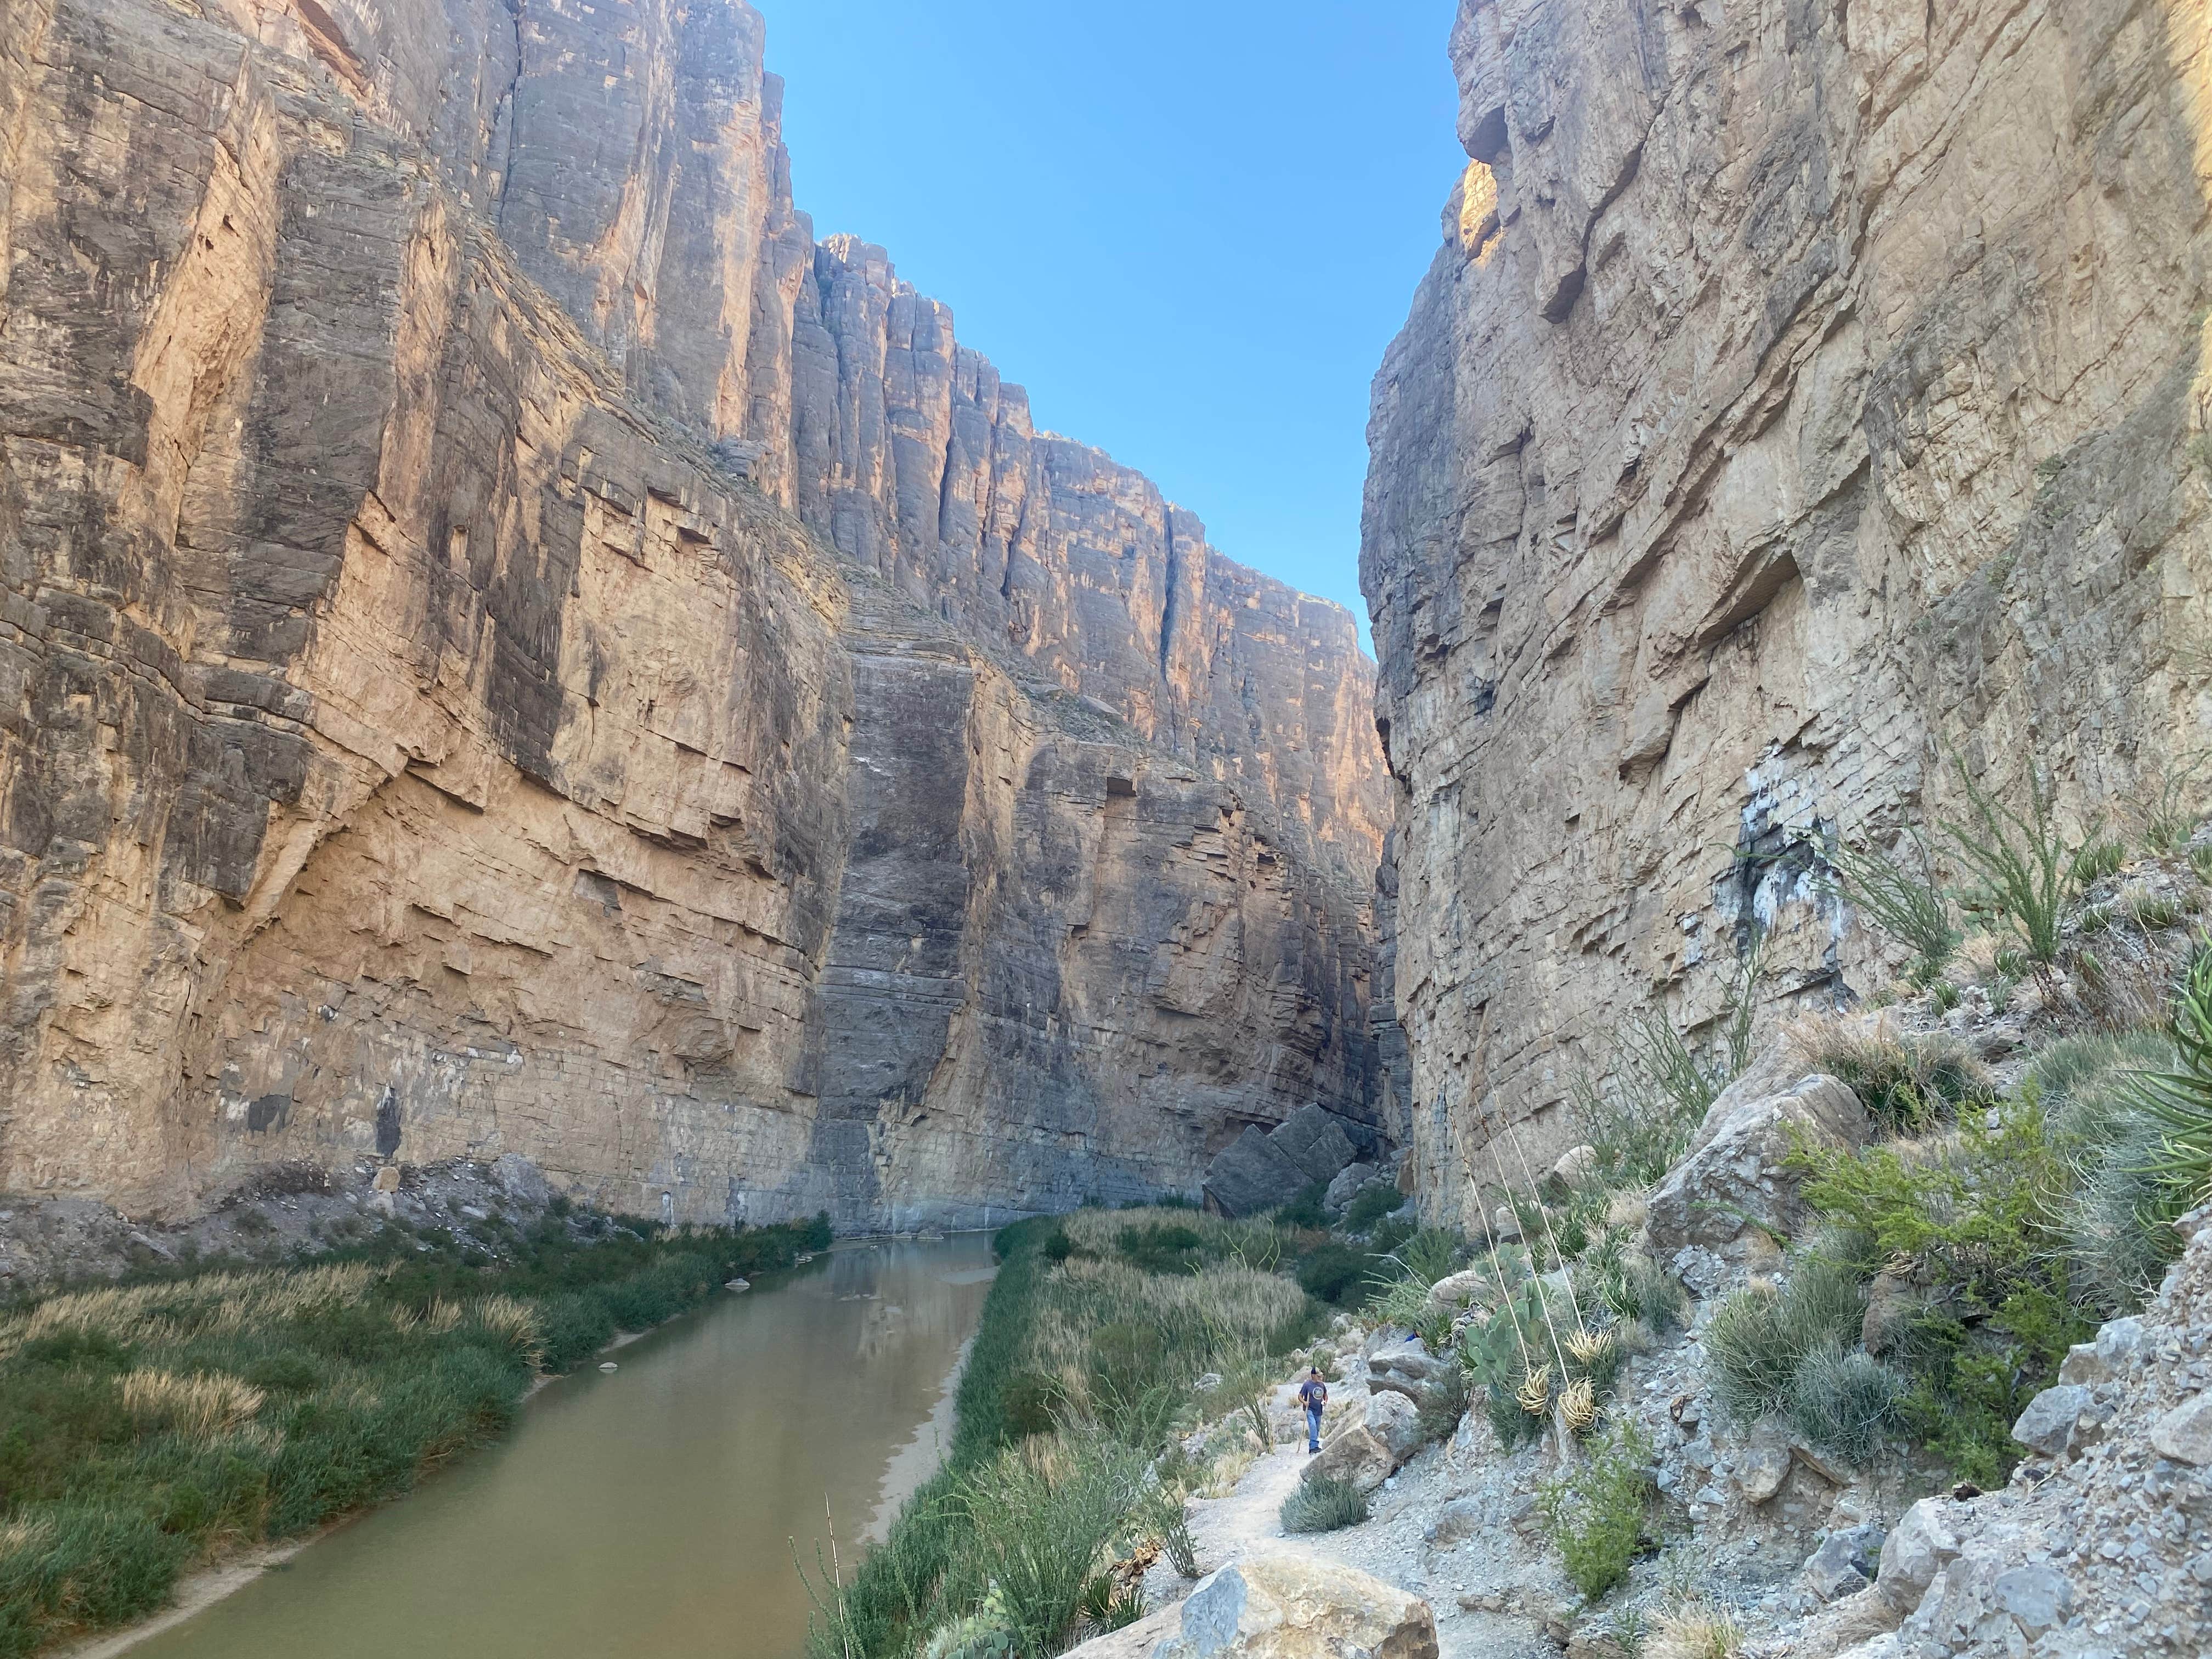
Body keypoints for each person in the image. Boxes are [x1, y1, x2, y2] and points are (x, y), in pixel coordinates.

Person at [1298, 1367, 1328, 1454]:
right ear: (1313, 1376)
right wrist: (1304, 1402)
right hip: (1309, 1409)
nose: (1320, 1378)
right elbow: (1300, 1396)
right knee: (1313, 1426)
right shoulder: (1307, 1385)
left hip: (1319, 1409)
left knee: (1317, 1428)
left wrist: (1325, 1401)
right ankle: (1313, 1447)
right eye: (1318, 1376)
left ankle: (1314, 1445)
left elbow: (1325, 1395)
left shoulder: (1321, 1385)